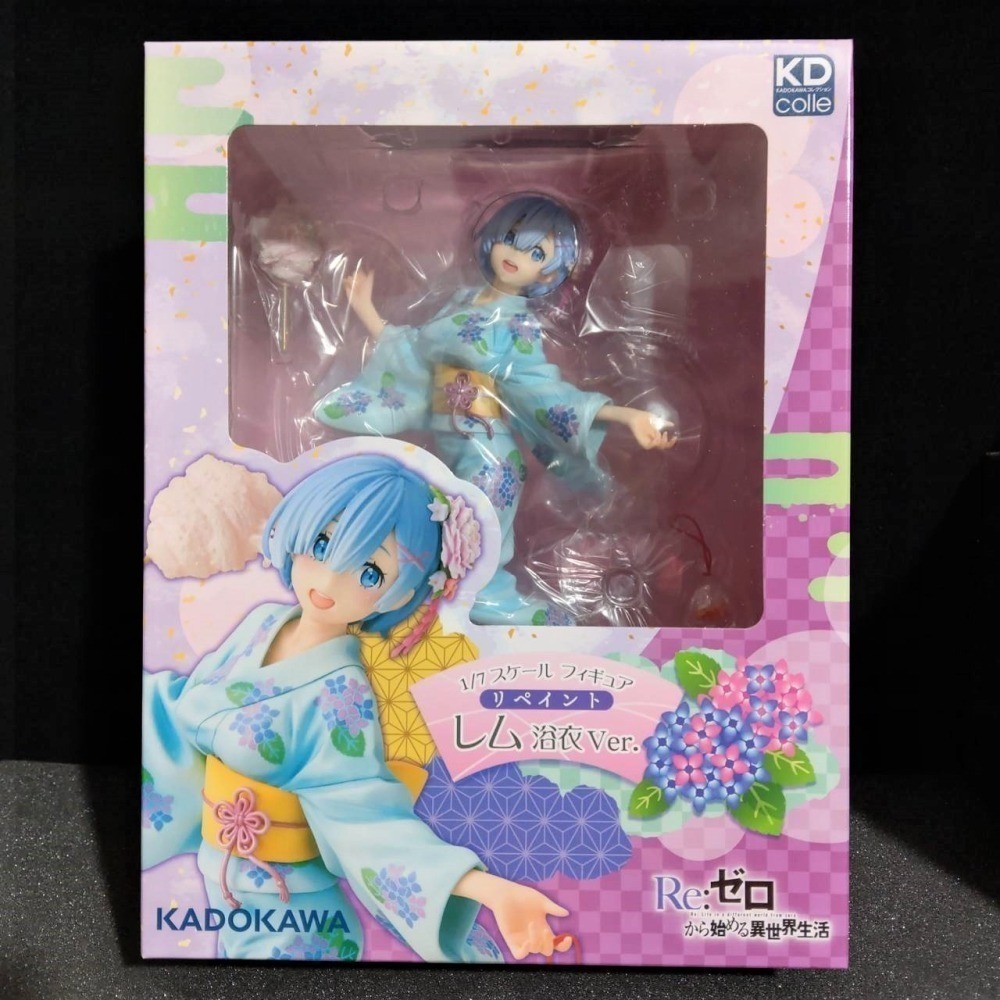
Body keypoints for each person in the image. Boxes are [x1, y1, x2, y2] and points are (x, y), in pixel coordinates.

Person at [141, 453, 570, 962]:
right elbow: (180, 711)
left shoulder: (341, 696)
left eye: (369, 573)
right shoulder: (263, 624)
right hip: (224, 881)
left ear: (398, 594)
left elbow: (367, 822)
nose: (329, 583)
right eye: (323, 546)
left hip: (292, 912)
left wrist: (490, 889)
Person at [313, 194, 675, 626]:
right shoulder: (460, 301)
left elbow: (545, 393)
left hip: (489, 456)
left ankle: (485, 599)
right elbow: (411, 351)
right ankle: (435, 595)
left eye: (536, 253)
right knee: (443, 526)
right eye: (512, 238)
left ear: (549, 271)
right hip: (450, 445)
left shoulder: (519, 324)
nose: (517, 256)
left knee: (477, 529)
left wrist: (627, 416)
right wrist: (365, 307)